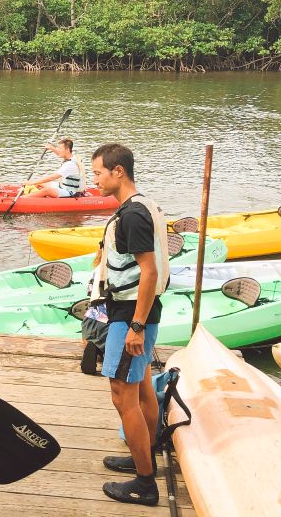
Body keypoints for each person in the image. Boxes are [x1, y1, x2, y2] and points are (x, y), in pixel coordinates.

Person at [88, 143, 170, 506]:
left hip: (131, 314)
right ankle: (144, 457)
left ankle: (145, 483)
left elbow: (149, 272)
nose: (95, 180)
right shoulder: (143, 206)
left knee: (123, 393)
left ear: (117, 171)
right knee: (143, 390)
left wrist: (136, 327)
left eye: (98, 173)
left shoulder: (133, 216)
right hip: (136, 311)